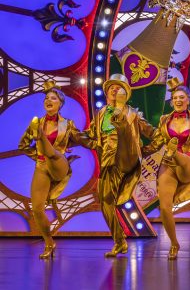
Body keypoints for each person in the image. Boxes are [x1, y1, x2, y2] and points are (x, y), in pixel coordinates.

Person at [82, 73, 154, 258]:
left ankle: (120, 241)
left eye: (119, 87)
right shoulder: (100, 114)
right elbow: (90, 136)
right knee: (105, 202)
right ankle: (119, 240)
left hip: (125, 157)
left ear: (126, 93)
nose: (114, 90)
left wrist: (146, 150)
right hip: (107, 160)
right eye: (111, 87)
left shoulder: (133, 114)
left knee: (108, 198)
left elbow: (154, 134)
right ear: (106, 92)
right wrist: (68, 136)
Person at [141, 80, 190, 260]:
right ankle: (174, 243)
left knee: (182, 158)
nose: (178, 100)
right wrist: (140, 151)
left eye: (181, 97)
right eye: (175, 98)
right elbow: (157, 143)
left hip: (189, 163)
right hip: (168, 164)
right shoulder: (164, 120)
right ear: (172, 102)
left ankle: (175, 152)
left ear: (188, 100)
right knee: (165, 208)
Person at [18, 82, 82, 260]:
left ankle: (41, 140)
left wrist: (72, 144)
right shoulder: (38, 122)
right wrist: (38, 156)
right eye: (46, 98)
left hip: (59, 163)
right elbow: (23, 145)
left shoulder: (67, 124)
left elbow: (81, 139)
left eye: (53, 98)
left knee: (53, 154)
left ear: (60, 104)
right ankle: (49, 243)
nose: (49, 100)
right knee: (37, 209)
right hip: (42, 166)